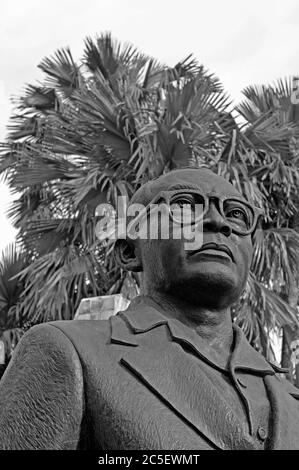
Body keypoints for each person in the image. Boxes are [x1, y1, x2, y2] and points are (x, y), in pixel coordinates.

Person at [0, 168, 298, 450]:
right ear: (130, 251)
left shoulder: (289, 397)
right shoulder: (67, 351)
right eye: (184, 206)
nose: (218, 222)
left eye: (236, 213)